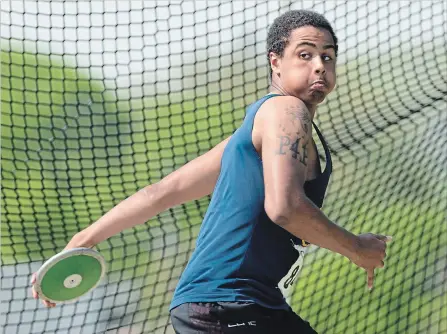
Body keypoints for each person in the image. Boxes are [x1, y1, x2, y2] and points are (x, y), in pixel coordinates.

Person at [31, 9, 391, 333]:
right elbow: (285, 207)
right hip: (227, 306)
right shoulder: (285, 110)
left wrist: (85, 237)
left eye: (327, 57)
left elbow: (163, 192)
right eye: (305, 54)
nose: (319, 66)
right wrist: (355, 247)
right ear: (275, 61)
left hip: (243, 305)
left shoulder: (253, 132)